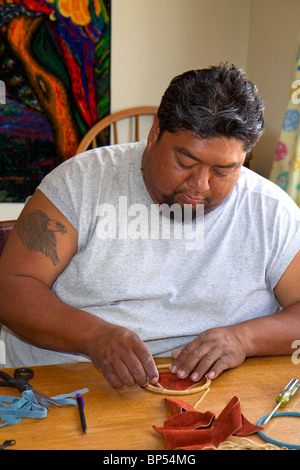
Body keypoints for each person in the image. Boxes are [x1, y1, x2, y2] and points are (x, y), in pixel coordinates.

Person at [0, 63, 300, 390]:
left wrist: (244, 340)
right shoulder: (79, 183)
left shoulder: (270, 210)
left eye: (224, 171)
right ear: (155, 132)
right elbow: (11, 285)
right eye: (185, 162)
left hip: (215, 393)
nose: (200, 184)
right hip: (65, 388)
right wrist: (93, 336)